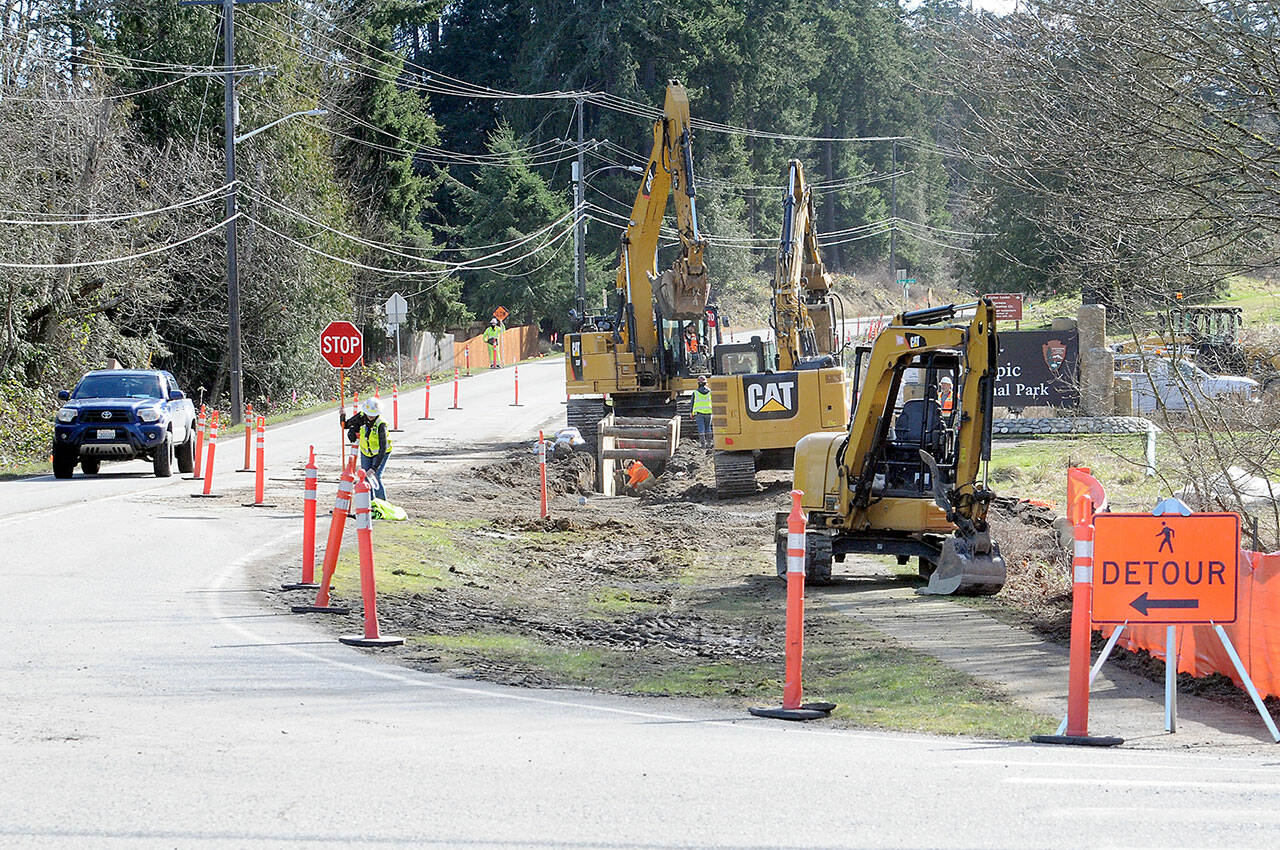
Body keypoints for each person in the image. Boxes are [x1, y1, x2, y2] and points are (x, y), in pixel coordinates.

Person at [350, 398, 392, 500]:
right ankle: (371, 503)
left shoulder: (381, 424)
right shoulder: (361, 417)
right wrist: (343, 418)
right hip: (366, 452)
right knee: (365, 477)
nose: (370, 416)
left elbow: (383, 448)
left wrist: (374, 468)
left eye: (373, 414)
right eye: (369, 414)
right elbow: (345, 424)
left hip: (381, 453)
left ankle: (382, 504)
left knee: (376, 476)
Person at [691, 375, 713, 448]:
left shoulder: (695, 393)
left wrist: (691, 413)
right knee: (708, 428)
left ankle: (703, 445)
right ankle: (709, 443)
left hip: (699, 414)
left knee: (701, 429)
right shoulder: (710, 392)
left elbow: (692, 403)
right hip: (709, 413)